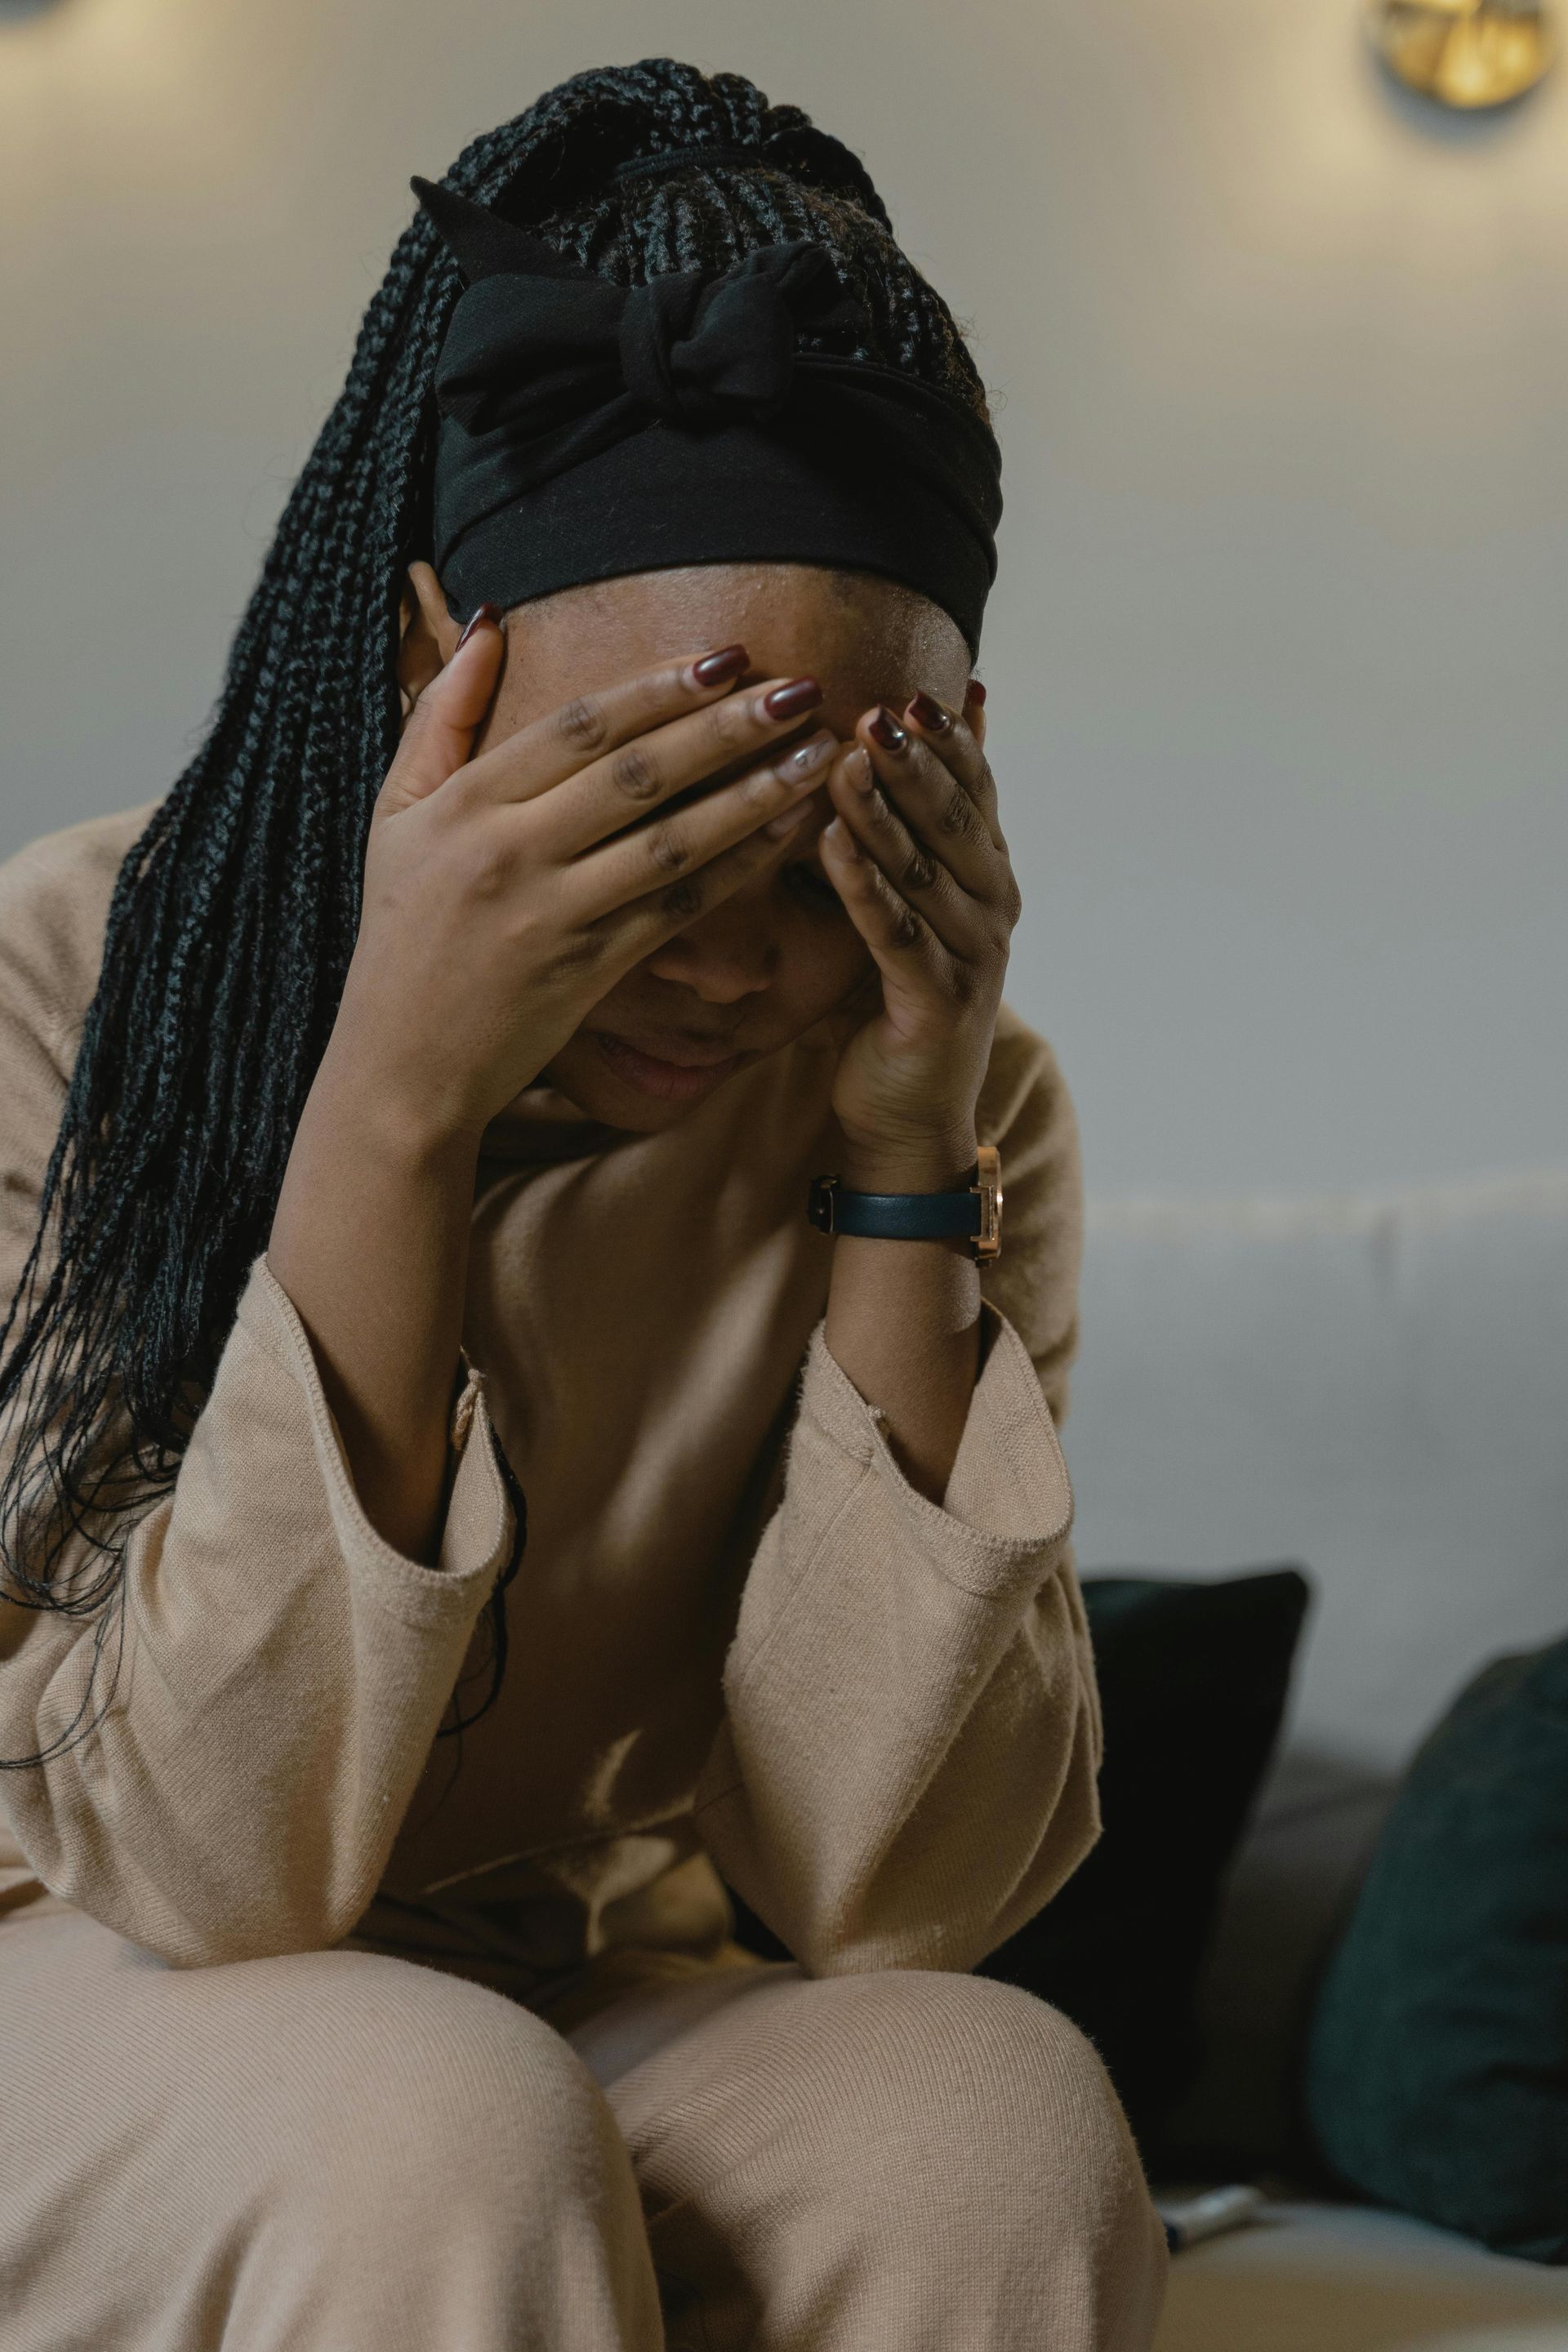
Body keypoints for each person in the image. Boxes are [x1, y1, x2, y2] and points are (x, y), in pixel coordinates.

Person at [0, 56, 1168, 2352]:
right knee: (417, 2121)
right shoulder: (70, 989)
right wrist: (395, 1096)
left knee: (983, 2117)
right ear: (443, 663)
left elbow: (891, 1898)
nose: (739, 957)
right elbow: (208, 1869)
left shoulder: (938, 1094)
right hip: (67, 1959)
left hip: (541, 1978)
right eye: (656, 812)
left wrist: (904, 1169)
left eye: (827, 840)